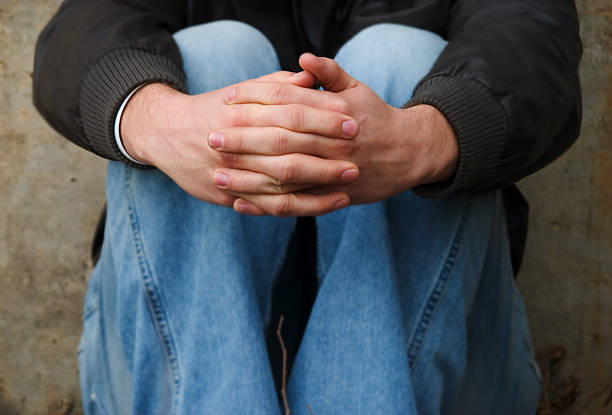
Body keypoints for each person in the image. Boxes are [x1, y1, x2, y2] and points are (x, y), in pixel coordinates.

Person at [33, 1, 582, 414]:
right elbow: (83, 28)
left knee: (399, 59)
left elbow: (533, 33)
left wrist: (425, 138)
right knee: (213, 58)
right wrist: (159, 121)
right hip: (167, 381)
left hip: (450, 382)